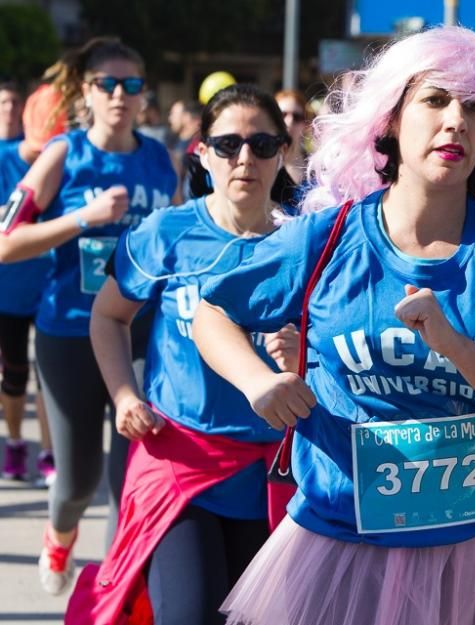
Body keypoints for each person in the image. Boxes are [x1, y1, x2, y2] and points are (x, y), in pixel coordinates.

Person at [192, 26, 475, 625]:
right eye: (435, 100)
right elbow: (213, 310)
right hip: (341, 546)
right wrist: (258, 382)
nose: (455, 121)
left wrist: (457, 348)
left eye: (474, 107)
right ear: (389, 120)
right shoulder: (326, 240)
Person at [67, 84, 296, 625]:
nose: (245, 159)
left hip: (271, 470)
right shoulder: (166, 233)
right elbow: (109, 316)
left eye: (263, 145)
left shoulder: (305, 242)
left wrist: (300, 352)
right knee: (188, 613)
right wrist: (124, 395)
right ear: (201, 152)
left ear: (283, 153)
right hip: (179, 459)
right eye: (228, 145)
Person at [0, 37, 177, 594]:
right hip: (70, 332)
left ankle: (113, 591)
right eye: (107, 84)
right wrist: (83, 217)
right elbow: (7, 242)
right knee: (76, 482)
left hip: (143, 334)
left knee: (129, 480)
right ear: (86, 91)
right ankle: (59, 535)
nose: (120, 95)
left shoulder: (158, 157)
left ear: (144, 94)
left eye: (131, 85)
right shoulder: (63, 154)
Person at [0, 82, 56, 486]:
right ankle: (17, 443)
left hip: (51, 288)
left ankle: (51, 455)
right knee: (14, 374)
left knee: (50, 380)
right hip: (9, 290)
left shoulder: (60, 161)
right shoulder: (4, 161)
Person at [274, 89, 309, 185]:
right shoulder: (262, 162)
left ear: (305, 125)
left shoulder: (315, 168)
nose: (289, 122)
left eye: (297, 117)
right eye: (283, 115)